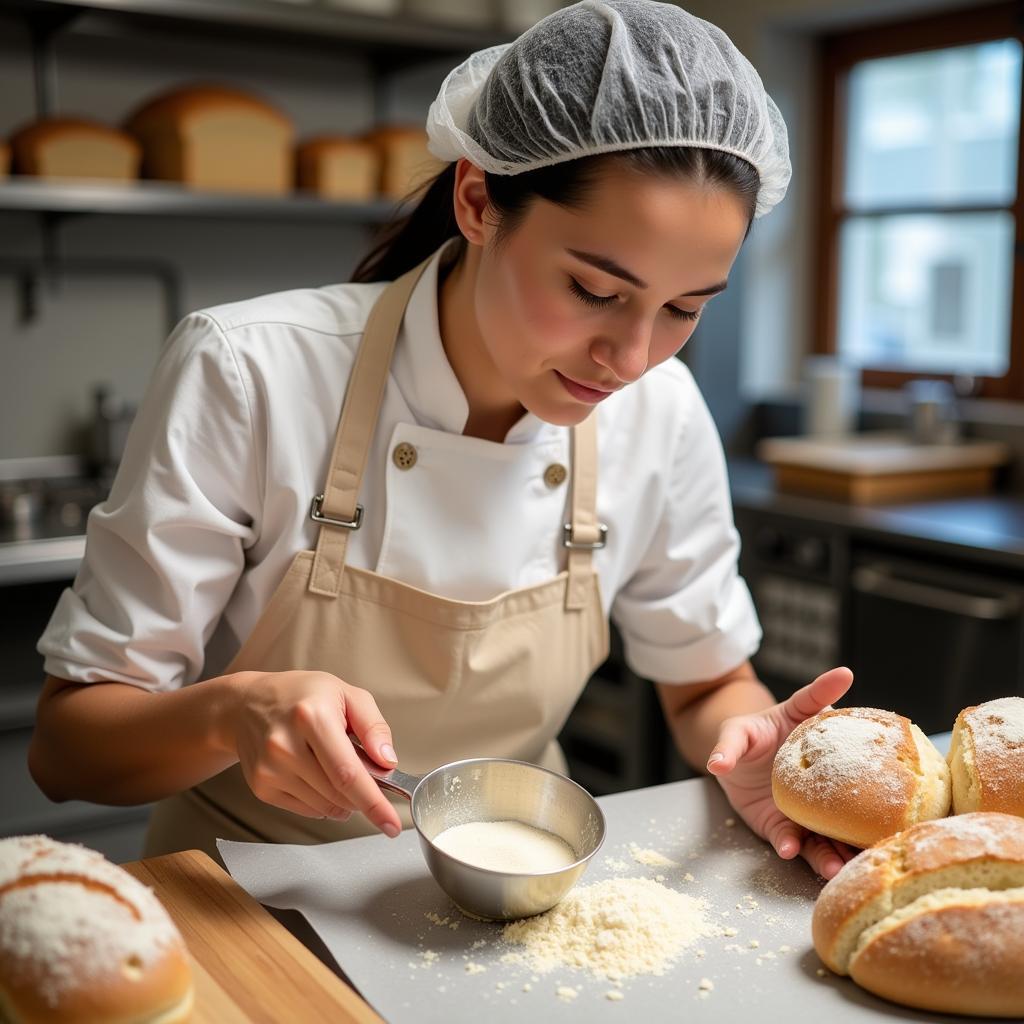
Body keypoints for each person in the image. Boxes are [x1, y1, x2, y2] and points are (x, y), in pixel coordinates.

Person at [29, 0, 858, 880]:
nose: (632, 358)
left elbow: (703, 683)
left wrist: (752, 745)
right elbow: (69, 749)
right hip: (243, 895)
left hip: (515, 886)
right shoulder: (253, 371)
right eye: (593, 289)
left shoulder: (662, 412)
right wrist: (230, 714)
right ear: (476, 200)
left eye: (685, 308)